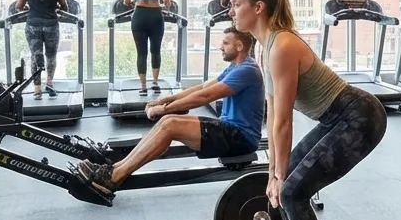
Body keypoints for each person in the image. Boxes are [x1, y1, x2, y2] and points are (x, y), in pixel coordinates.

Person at [230, 0, 387, 220]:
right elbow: (272, 117)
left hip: (359, 116)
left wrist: (279, 177)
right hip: (337, 118)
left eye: (235, 4)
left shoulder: (283, 45)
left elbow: (285, 122)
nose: (230, 10)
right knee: (284, 185)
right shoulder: (265, 48)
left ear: (258, 7)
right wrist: (273, 172)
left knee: (291, 192)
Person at [74, 27, 265, 194]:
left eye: (225, 43)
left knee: (170, 123)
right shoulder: (236, 67)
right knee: (168, 122)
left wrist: (163, 109)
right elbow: (201, 88)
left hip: (240, 138)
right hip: (228, 129)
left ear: (239, 46)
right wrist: (165, 100)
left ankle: (114, 178)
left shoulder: (247, 70)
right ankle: (114, 169)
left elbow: (205, 97)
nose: (220, 47)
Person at [16, 0, 68, 100]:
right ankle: (49, 83)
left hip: (33, 24)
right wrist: (55, 7)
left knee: (35, 54)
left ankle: (37, 91)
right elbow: (65, 6)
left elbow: (19, 6)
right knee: (51, 56)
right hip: (51, 24)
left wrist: (29, 7)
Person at [124, 0, 172, 95]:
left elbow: (126, 1)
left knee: (141, 52)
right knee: (155, 50)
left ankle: (143, 87)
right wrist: (164, 3)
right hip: (155, 16)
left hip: (139, 16)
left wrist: (135, 1)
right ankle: (155, 83)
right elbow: (167, 1)